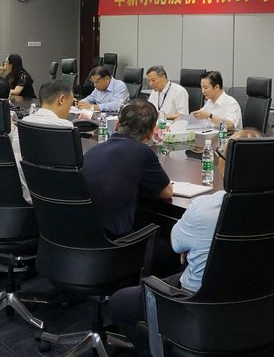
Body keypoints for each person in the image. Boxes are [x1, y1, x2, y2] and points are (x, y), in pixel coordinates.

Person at [109, 129, 263, 356]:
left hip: (197, 304)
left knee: (120, 301)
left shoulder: (203, 208)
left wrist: (193, 244)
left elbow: (176, 245)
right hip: (258, 307)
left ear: (225, 166)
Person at [81, 99, 173, 238]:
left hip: (84, 235)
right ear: (151, 132)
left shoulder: (94, 150)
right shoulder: (143, 152)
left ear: (117, 125)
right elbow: (166, 192)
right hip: (114, 242)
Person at [11, 81, 75, 203]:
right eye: (70, 104)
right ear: (61, 100)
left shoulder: (23, 123)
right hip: (57, 199)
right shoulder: (65, 128)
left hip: (25, 195)